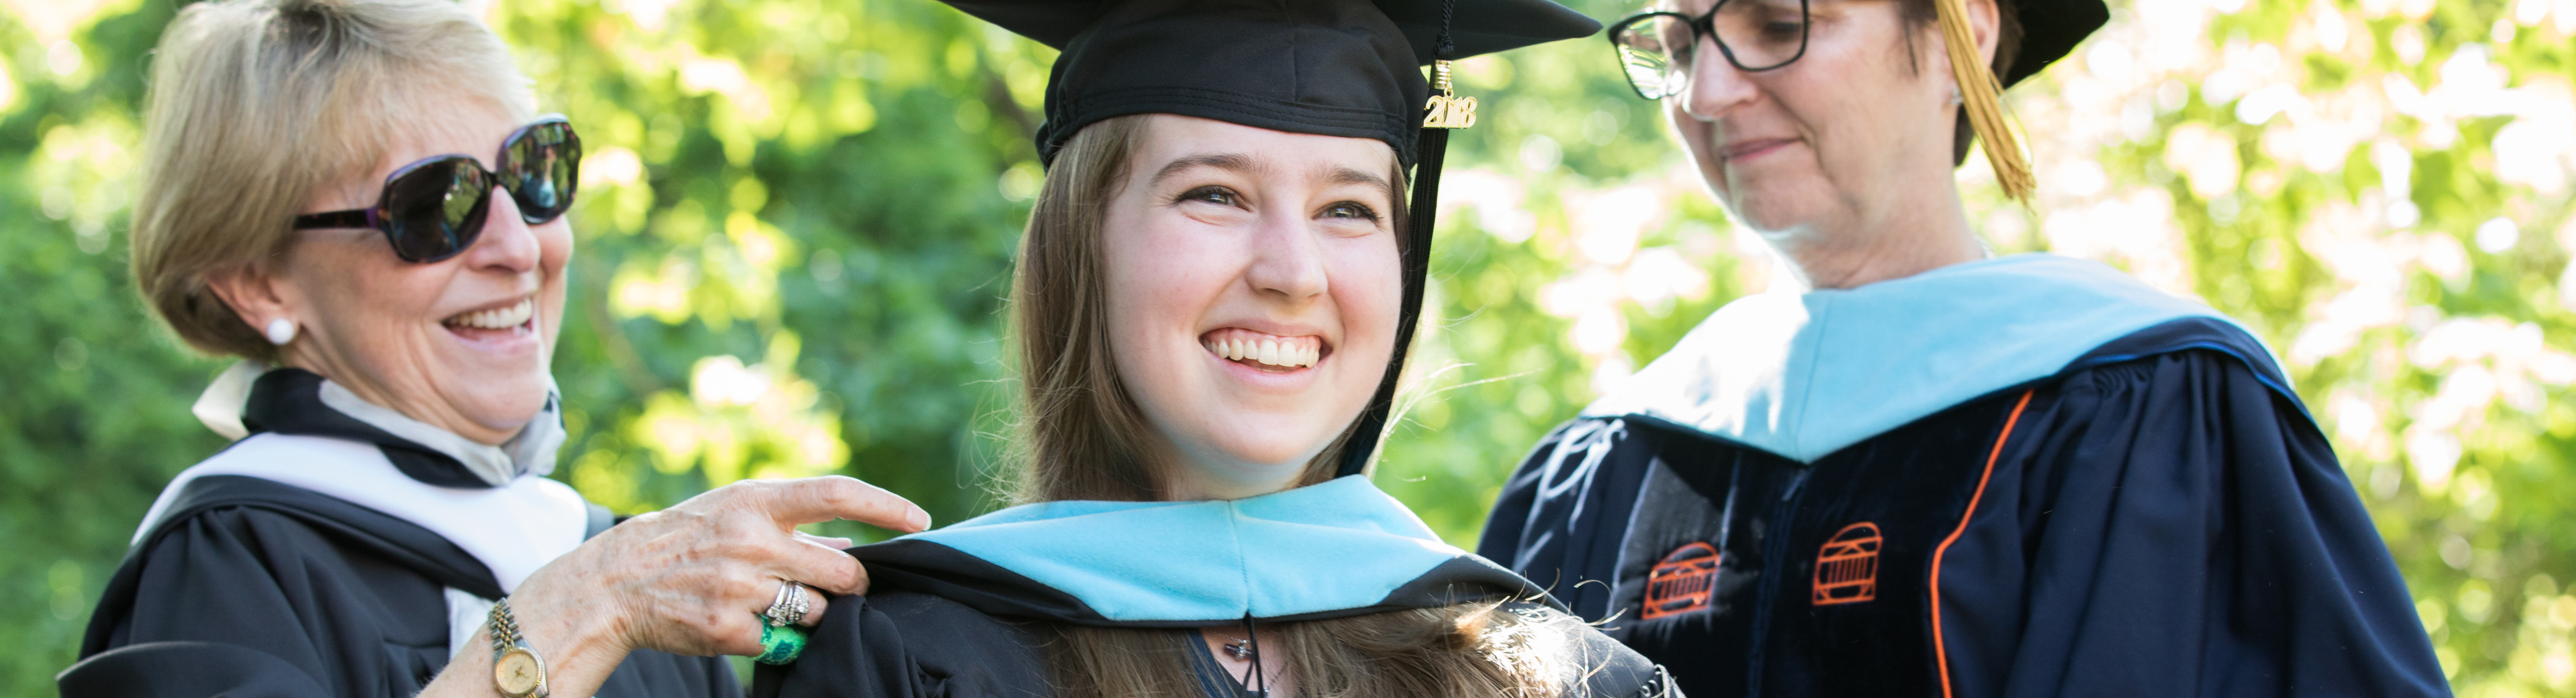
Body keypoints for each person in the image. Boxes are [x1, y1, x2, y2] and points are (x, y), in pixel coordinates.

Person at [1476, 0, 2455, 696]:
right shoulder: (1609, 464)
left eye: (1778, 26)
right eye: (1680, 42)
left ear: (1959, 39)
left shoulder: (2141, 405)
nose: (1709, 91)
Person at [756, 1, 1680, 696]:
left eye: (1349, 209)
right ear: (1083, 253)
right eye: (1215, 195)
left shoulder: (1564, 679)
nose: (1294, 271)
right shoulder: (907, 662)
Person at [60, 2, 931, 697]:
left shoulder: (627, 566)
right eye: (437, 205)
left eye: (533, 175)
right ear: (256, 282)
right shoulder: (223, 572)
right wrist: (584, 611)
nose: (522, 247)